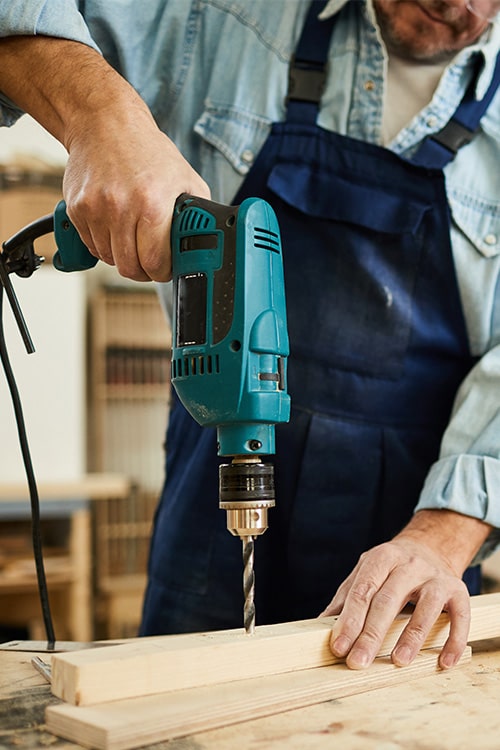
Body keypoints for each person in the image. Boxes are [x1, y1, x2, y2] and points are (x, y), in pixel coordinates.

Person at [1, 0, 499, 672]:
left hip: (415, 540)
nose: (457, 4)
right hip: (207, 494)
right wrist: (100, 116)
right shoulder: (217, 15)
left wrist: (442, 540)